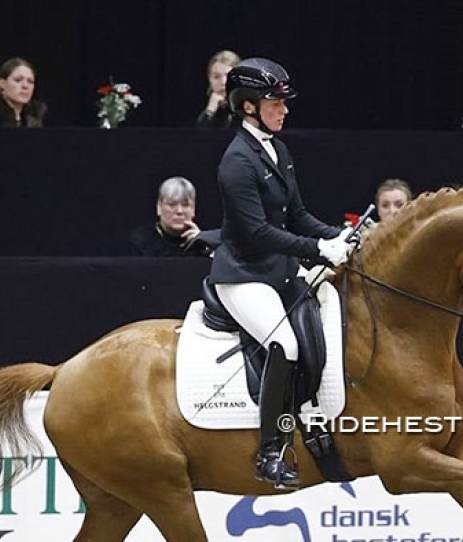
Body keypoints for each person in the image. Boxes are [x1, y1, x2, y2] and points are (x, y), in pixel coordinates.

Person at [209, 57, 354, 489]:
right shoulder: (237, 161)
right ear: (249, 106)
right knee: (284, 344)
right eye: (276, 102)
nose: (284, 110)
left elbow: (299, 215)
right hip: (243, 274)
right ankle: (270, 450)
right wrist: (318, 250)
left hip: (278, 271)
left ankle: (311, 417)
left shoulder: (277, 149)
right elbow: (257, 233)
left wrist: (341, 236)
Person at [127, 176, 213, 257]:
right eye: (172, 205)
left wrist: (204, 245)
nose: (179, 211)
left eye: (185, 205)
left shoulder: (207, 241)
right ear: (159, 207)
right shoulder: (139, 241)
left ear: (193, 209)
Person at [0, 57, 47, 127]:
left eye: (30, 81)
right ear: (2, 83)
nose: (25, 86)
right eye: (18, 80)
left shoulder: (35, 118)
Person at [196, 50, 242, 129]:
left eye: (228, 76)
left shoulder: (249, 108)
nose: (223, 82)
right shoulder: (199, 104)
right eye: (216, 77)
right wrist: (209, 111)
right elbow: (196, 138)